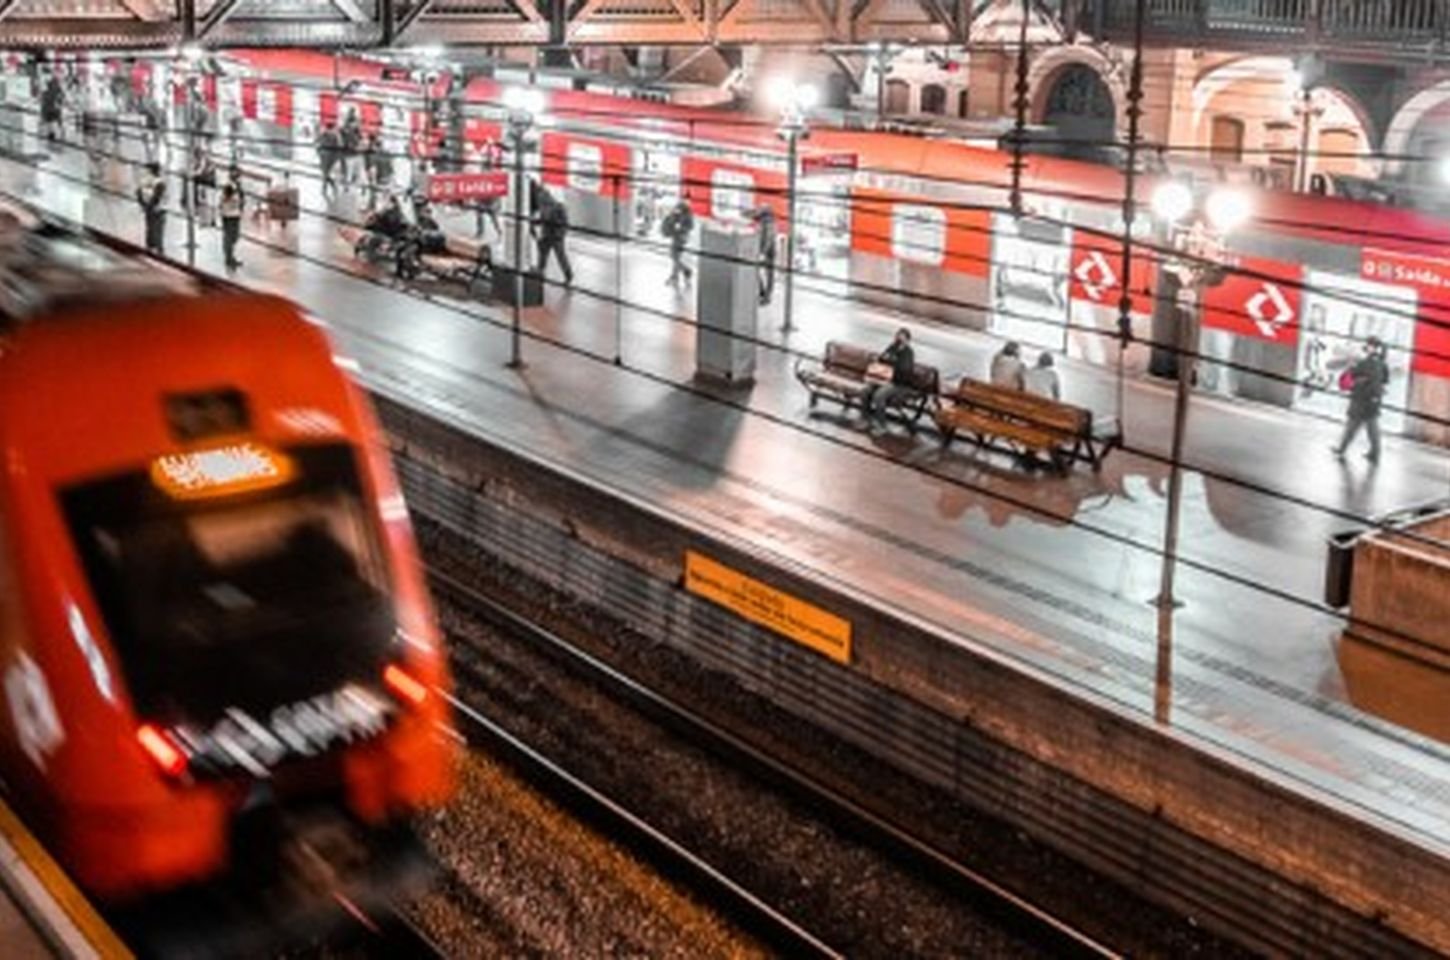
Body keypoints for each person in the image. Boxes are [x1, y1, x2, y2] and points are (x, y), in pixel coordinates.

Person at [1333, 336, 1391, 463]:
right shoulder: (1382, 364)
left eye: (1368, 345)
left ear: (1373, 347)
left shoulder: (1367, 363)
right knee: (1371, 428)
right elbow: (1385, 381)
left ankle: (1342, 449)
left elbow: (1354, 375)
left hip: (1362, 399)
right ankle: (1374, 453)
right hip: (1373, 400)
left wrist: (1352, 368)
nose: (1366, 347)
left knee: (1353, 425)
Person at [864, 328, 916, 426]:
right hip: (883, 380)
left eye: (902, 338)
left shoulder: (908, 353)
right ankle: (865, 418)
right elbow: (882, 359)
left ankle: (881, 424)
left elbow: (904, 369)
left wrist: (891, 361)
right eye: (897, 337)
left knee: (879, 395)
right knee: (865, 391)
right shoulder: (892, 348)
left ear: (907, 340)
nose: (898, 340)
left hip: (898, 384)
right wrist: (879, 359)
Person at [535, 193, 574, 287]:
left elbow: (565, 223)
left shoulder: (559, 207)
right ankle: (540, 272)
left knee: (561, 257)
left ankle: (568, 276)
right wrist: (536, 222)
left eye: (543, 200)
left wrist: (560, 233)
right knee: (542, 255)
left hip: (556, 237)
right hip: (546, 235)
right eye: (541, 201)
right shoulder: (543, 208)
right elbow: (542, 220)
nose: (542, 203)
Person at [661, 197, 694, 286]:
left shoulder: (687, 213)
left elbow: (690, 226)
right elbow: (671, 220)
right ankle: (680, 273)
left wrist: (681, 228)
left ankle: (680, 273)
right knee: (675, 257)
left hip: (681, 237)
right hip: (677, 236)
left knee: (674, 256)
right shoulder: (679, 209)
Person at [136, 161, 167, 255]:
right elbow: (157, 197)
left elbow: (139, 193)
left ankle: (151, 249)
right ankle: (157, 251)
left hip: (151, 209)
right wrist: (148, 206)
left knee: (151, 229)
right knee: (157, 231)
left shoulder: (145, 181)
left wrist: (144, 205)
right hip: (157, 210)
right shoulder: (159, 182)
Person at [752, 206, 777, 305]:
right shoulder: (767, 223)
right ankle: (763, 293)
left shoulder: (768, 224)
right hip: (767, 251)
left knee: (767, 274)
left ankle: (766, 296)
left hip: (768, 252)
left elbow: (767, 239)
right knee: (764, 274)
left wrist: (762, 253)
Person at [218, 174, 244, 271]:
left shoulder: (237, 187)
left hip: (234, 215)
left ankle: (229, 257)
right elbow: (225, 198)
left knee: (234, 237)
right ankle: (229, 258)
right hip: (229, 216)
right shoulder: (229, 186)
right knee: (230, 237)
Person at [316, 121, 341, 200]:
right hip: (324, 157)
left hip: (330, 157)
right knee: (325, 173)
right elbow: (317, 143)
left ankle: (325, 188)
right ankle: (332, 186)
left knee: (325, 173)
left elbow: (338, 147)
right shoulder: (323, 135)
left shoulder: (334, 136)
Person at [340, 109, 362, 185]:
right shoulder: (346, 130)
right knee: (349, 171)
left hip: (354, 153)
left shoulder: (356, 130)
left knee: (355, 171)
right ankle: (347, 182)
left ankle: (350, 181)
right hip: (349, 154)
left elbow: (359, 138)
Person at [40, 77, 64, 144]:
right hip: (53, 111)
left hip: (50, 111)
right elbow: (60, 100)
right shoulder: (58, 91)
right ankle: (59, 133)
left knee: (51, 122)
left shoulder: (46, 93)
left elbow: (43, 104)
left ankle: (55, 133)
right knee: (54, 122)